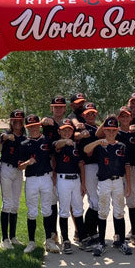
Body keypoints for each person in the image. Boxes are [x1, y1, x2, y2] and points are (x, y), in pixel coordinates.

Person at [84, 115, 132, 256]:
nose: (111, 133)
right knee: (103, 211)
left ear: (117, 130)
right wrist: (99, 141)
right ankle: (101, 242)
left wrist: (128, 185)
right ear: (104, 130)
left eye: (113, 130)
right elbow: (86, 150)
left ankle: (121, 241)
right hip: (104, 181)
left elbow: (127, 167)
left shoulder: (121, 146)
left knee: (119, 211)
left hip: (117, 181)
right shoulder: (100, 146)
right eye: (108, 130)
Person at [18, 114, 59, 254]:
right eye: (30, 127)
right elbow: (19, 166)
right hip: (31, 179)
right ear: (27, 128)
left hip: (46, 177)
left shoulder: (47, 141)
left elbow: (54, 156)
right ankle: (31, 242)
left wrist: (54, 173)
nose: (33, 129)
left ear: (39, 126)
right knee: (32, 211)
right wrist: (27, 163)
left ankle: (49, 240)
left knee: (47, 210)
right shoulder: (24, 143)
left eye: (35, 126)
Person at [53, 118, 87, 253]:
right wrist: (65, 141)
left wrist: (83, 183)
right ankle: (65, 239)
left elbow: (81, 165)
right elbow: (57, 146)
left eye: (69, 130)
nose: (67, 132)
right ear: (59, 131)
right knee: (64, 210)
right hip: (63, 179)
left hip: (76, 179)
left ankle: (82, 237)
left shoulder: (76, 146)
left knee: (78, 209)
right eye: (64, 130)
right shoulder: (58, 143)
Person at [42, 95, 68, 245]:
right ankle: (53, 233)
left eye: (61, 106)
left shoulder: (67, 122)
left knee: (65, 200)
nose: (58, 109)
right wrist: (41, 120)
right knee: (52, 200)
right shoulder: (47, 122)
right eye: (55, 106)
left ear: (65, 108)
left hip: (66, 164)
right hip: (50, 163)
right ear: (52, 108)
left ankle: (67, 235)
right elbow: (32, 124)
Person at [0, 109, 26, 250]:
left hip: (18, 170)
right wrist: (7, 137)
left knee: (15, 204)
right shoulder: (7, 133)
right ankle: (4, 239)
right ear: (11, 121)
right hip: (6, 168)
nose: (18, 123)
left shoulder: (24, 136)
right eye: (15, 120)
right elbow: (2, 137)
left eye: (20, 120)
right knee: (7, 203)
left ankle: (13, 236)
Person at [116, 106, 135, 246]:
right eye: (122, 116)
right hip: (117, 169)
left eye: (127, 116)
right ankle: (118, 233)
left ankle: (133, 231)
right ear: (118, 118)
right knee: (118, 201)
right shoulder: (114, 132)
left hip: (131, 169)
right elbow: (99, 133)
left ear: (131, 117)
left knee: (132, 200)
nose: (125, 119)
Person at [75, 102, 100, 245]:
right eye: (88, 113)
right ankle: (87, 233)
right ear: (83, 115)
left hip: (100, 166)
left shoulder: (98, 128)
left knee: (98, 201)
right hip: (88, 166)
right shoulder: (82, 128)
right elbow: (76, 136)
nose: (91, 115)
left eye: (93, 113)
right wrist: (79, 134)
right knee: (94, 201)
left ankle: (91, 232)